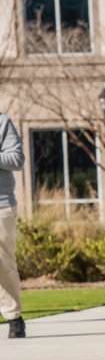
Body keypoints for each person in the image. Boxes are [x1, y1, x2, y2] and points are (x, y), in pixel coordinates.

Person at [0, 109, 24, 338]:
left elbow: (16, 159)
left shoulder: (2, 122)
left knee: (3, 264)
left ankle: (14, 316)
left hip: (1, 206)